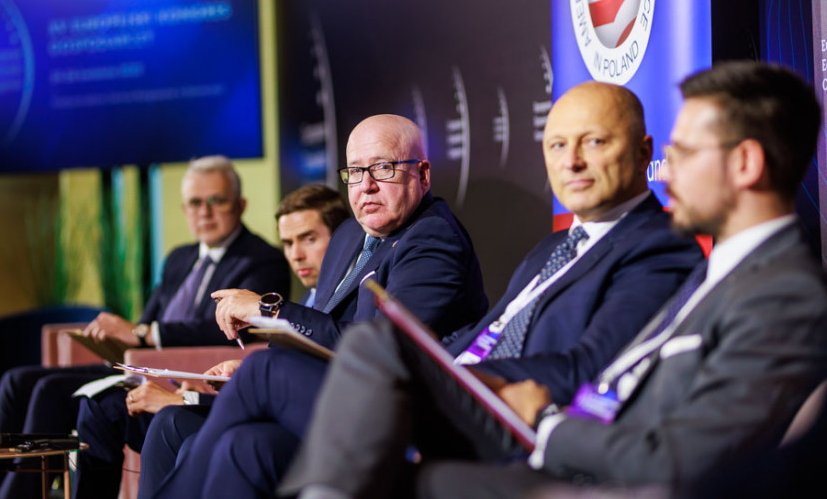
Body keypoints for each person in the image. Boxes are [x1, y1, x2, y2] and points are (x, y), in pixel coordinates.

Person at [285, 61, 827, 499]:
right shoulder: (724, 269)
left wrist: (546, 422)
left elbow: (685, 459)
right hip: (554, 438)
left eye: (682, 153)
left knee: (371, 365)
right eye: (556, 146)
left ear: (745, 163)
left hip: (585, 467)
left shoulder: (779, 293)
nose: (667, 169)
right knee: (331, 441)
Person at [146, 82, 706, 499]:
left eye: (594, 142)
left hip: (502, 419)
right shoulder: (551, 247)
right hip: (450, 393)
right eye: (557, 145)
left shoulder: (660, 248)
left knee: (271, 371)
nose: (572, 161)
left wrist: (446, 375)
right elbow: (486, 331)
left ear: (644, 151)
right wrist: (437, 364)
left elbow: (588, 367)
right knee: (245, 447)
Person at [137, 113, 493, 496]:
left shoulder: (432, 239)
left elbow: (376, 349)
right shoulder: (349, 234)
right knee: (175, 426)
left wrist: (268, 310)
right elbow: (319, 332)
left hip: (391, 415)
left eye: (383, 168)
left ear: (422, 174)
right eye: (355, 172)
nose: (366, 186)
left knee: (258, 382)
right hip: (328, 399)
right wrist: (253, 377)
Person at [0, 155, 290, 499]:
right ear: (184, 209)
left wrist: (146, 334)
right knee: (17, 381)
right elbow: (145, 322)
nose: (204, 212)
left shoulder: (263, 259)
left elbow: (234, 329)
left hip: (175, 371)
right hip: (138, 362)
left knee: (50, 391)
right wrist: (124, 335)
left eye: (216, 201)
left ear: (240, 205)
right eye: (194, 203)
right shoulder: (179, 258)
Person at [72, 184, 349, 498]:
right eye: (288, 242)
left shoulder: (283, 281)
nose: (296, 255)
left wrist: (188, 399)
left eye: (308, 239)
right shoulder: (307, 301)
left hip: (303, 425)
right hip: (235, 399)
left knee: (170, 421)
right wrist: (231, 377)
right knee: (83, 397)